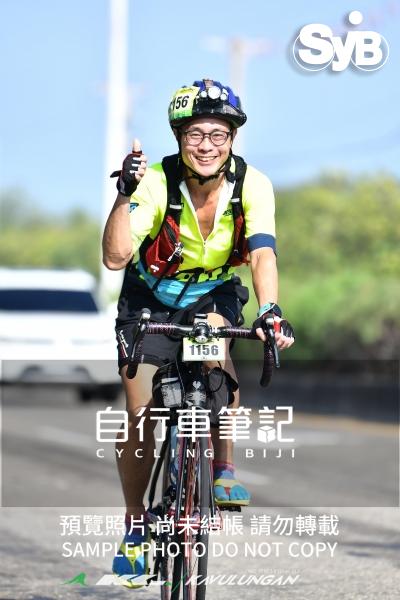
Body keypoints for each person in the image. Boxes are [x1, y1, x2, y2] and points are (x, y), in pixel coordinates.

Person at [102, 78, 295, 585]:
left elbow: (262, 254)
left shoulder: (253, 184)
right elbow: (115, 258)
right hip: (150, 296)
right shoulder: (155, 182)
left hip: (211, 294)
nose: (207, 145)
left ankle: (223, 469)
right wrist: (124, 196)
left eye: (218, 134)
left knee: (214, 342)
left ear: (232, 138)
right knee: (141, 411)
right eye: (195, 134)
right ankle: (135, 526)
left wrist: (270, 310)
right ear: (179, 137)